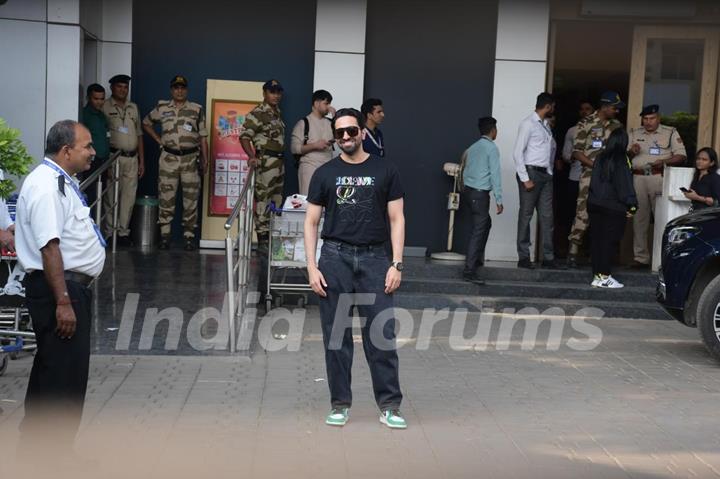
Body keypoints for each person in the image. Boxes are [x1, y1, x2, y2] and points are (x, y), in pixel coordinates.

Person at [304, 107, 407, 430]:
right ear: (334, 138)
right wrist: (311, 266)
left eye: (351, 131)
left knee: (381, 335)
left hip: (376, 259)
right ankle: (340, 404)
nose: (346, 137)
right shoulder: (324, 174)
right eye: (339, 133)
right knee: (337, 337)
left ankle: (390, 405)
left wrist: (397, 263)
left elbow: (397, 219)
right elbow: (310, 222)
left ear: (363, 132)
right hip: (334, 258)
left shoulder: (386, 169)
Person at [15, 120, 106, 456]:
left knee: (53, 372)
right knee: (63, 382)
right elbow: (50, 247)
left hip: (67, 290)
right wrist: (64, 302)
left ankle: (41, 453)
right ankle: (49, 458)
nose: (93, 153)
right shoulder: (46, 186)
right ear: (66, 150)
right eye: (87, 146)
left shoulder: (60, 182)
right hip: (60, 292)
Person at [142, 75, 208, 250]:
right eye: (176, 87)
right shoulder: (162, 107)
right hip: (168, 159)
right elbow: (146, 123)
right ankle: (165, 236)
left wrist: (205, 159)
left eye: (182, 88)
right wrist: (158, 139)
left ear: (187, 90)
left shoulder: (196, 109)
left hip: (190, 160)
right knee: (166, 197)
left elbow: (203, 137)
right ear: (172, 90)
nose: (179, 91)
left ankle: (188, 236)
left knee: (191, 199)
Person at [567, 91, 625, 268]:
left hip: (610, 179)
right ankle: (573, 252)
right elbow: (577, 152)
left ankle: (599, 254)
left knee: (606, 214)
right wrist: (596, 166)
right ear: (605, 107)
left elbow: (620, 151)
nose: (617, 111)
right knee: (583, 212)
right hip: (589, 177)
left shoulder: (617, 126)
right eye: (615, 108)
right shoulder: (585, 123)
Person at [628, 104, 687, 268]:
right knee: (639, 219)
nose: (648, 122)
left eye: (652, 118)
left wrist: (664, 161)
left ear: (658, 118)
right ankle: (640, 258)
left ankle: (661, 259)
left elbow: (681, 155)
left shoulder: (670, 132)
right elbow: (624, 156)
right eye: (645, 119)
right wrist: (632, 151)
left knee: (662, 219)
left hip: (658, 177)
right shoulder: (634, 133)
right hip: (638, 178)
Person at [513, 92, 561, 269]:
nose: (553, 110)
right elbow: (518, 152)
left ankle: (548, 258)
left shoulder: (546, 125)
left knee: (547, 217)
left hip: (545, 175)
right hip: (531, 173)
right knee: (526, 215)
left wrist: (550, 173)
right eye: (553, 107)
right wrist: (525, 178)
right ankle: (523, 257)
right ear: (547, 106)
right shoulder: (528, 124)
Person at [587, 128, 637, 289]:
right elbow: (624, 184)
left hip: (594, 204)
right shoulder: (622, 159)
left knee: (597, 241)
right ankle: (605, 276)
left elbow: (594, 182)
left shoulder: (600, 157)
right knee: (609, 242)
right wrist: (632, 205)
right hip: (613, 207)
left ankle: (597, 275)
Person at [240, 79, 286, 251]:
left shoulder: (276, 113)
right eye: (272, 92)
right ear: (264, 93)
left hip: (279, 163)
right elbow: (244, 136)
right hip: (266, 162)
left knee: (276, 200)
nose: (276, 95)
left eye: (278, 92)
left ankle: (272, 238)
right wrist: (252, 156)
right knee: (263, 201)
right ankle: (263, 241)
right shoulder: (258, 113)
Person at [102, 74, 145, 246]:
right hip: (114, 157)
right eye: (119, 86)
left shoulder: (133, 107)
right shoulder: (105, 107)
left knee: (129, 197)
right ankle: (110, 232)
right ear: (112, 88)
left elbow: (139, 134)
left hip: (132, 158)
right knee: (111, 195)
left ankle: (123, 232)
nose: (123, 90)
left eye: (125, 87)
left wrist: (142, 160)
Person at [461, 116, 503, 284]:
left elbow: (465, 170)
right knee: (479, 229)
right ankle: (469, 269)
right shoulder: (491, 148)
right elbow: (495, 174)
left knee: (485, 224)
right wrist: (499, 199)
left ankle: (476, 258)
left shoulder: (472, 148)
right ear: (493, 131)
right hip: (480, 194)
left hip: (469, 193)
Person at [291, 89, 335, 195]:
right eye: (326, 103)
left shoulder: (331, 123)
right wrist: (315, 145)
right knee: (308, 201)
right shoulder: (303, 123)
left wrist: (336, 118)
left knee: (328, 202)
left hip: (328, 167)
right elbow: (294, 149)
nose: (329, 107)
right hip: (309, 166)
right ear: (316, 103)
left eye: (329, 104)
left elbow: (342, 136)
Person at [561, 101, 595, 222]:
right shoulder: (572, 131)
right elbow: (565, 154)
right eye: (582, 109)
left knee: (591, 211)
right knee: (573, 211)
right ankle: (573, 239)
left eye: (588, 109)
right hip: (575, 177)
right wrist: (574, 156)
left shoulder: (600, 130)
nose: (584, 111)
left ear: (593, 111)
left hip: (594, 178)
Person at [80, 83, 109, 215]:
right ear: (88, 98)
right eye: (96, 99)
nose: (99, 102)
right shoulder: (84, 115)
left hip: (104, 162)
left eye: (102, 99)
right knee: (90, 194)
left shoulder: (102, 116)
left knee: (101, 195)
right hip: (90, 161)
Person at [684, 147, 720, 211]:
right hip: (695, 215)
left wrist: (697, 197)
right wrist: (689, 194)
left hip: (708, 217)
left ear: (712, 163)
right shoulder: (697, 176)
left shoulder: (715, 178)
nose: (700, 161)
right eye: (698, 158)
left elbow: (717, 202)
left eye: (704, 159)